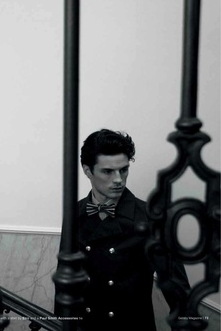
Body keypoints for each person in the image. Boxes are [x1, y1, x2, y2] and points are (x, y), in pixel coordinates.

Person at [76, 129, 189, 331]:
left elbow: (178, 292)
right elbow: (64, 280)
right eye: (108, 171)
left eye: (124, 170)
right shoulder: (74, 213)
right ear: (87, 171)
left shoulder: (152, 219)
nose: (118, 179)